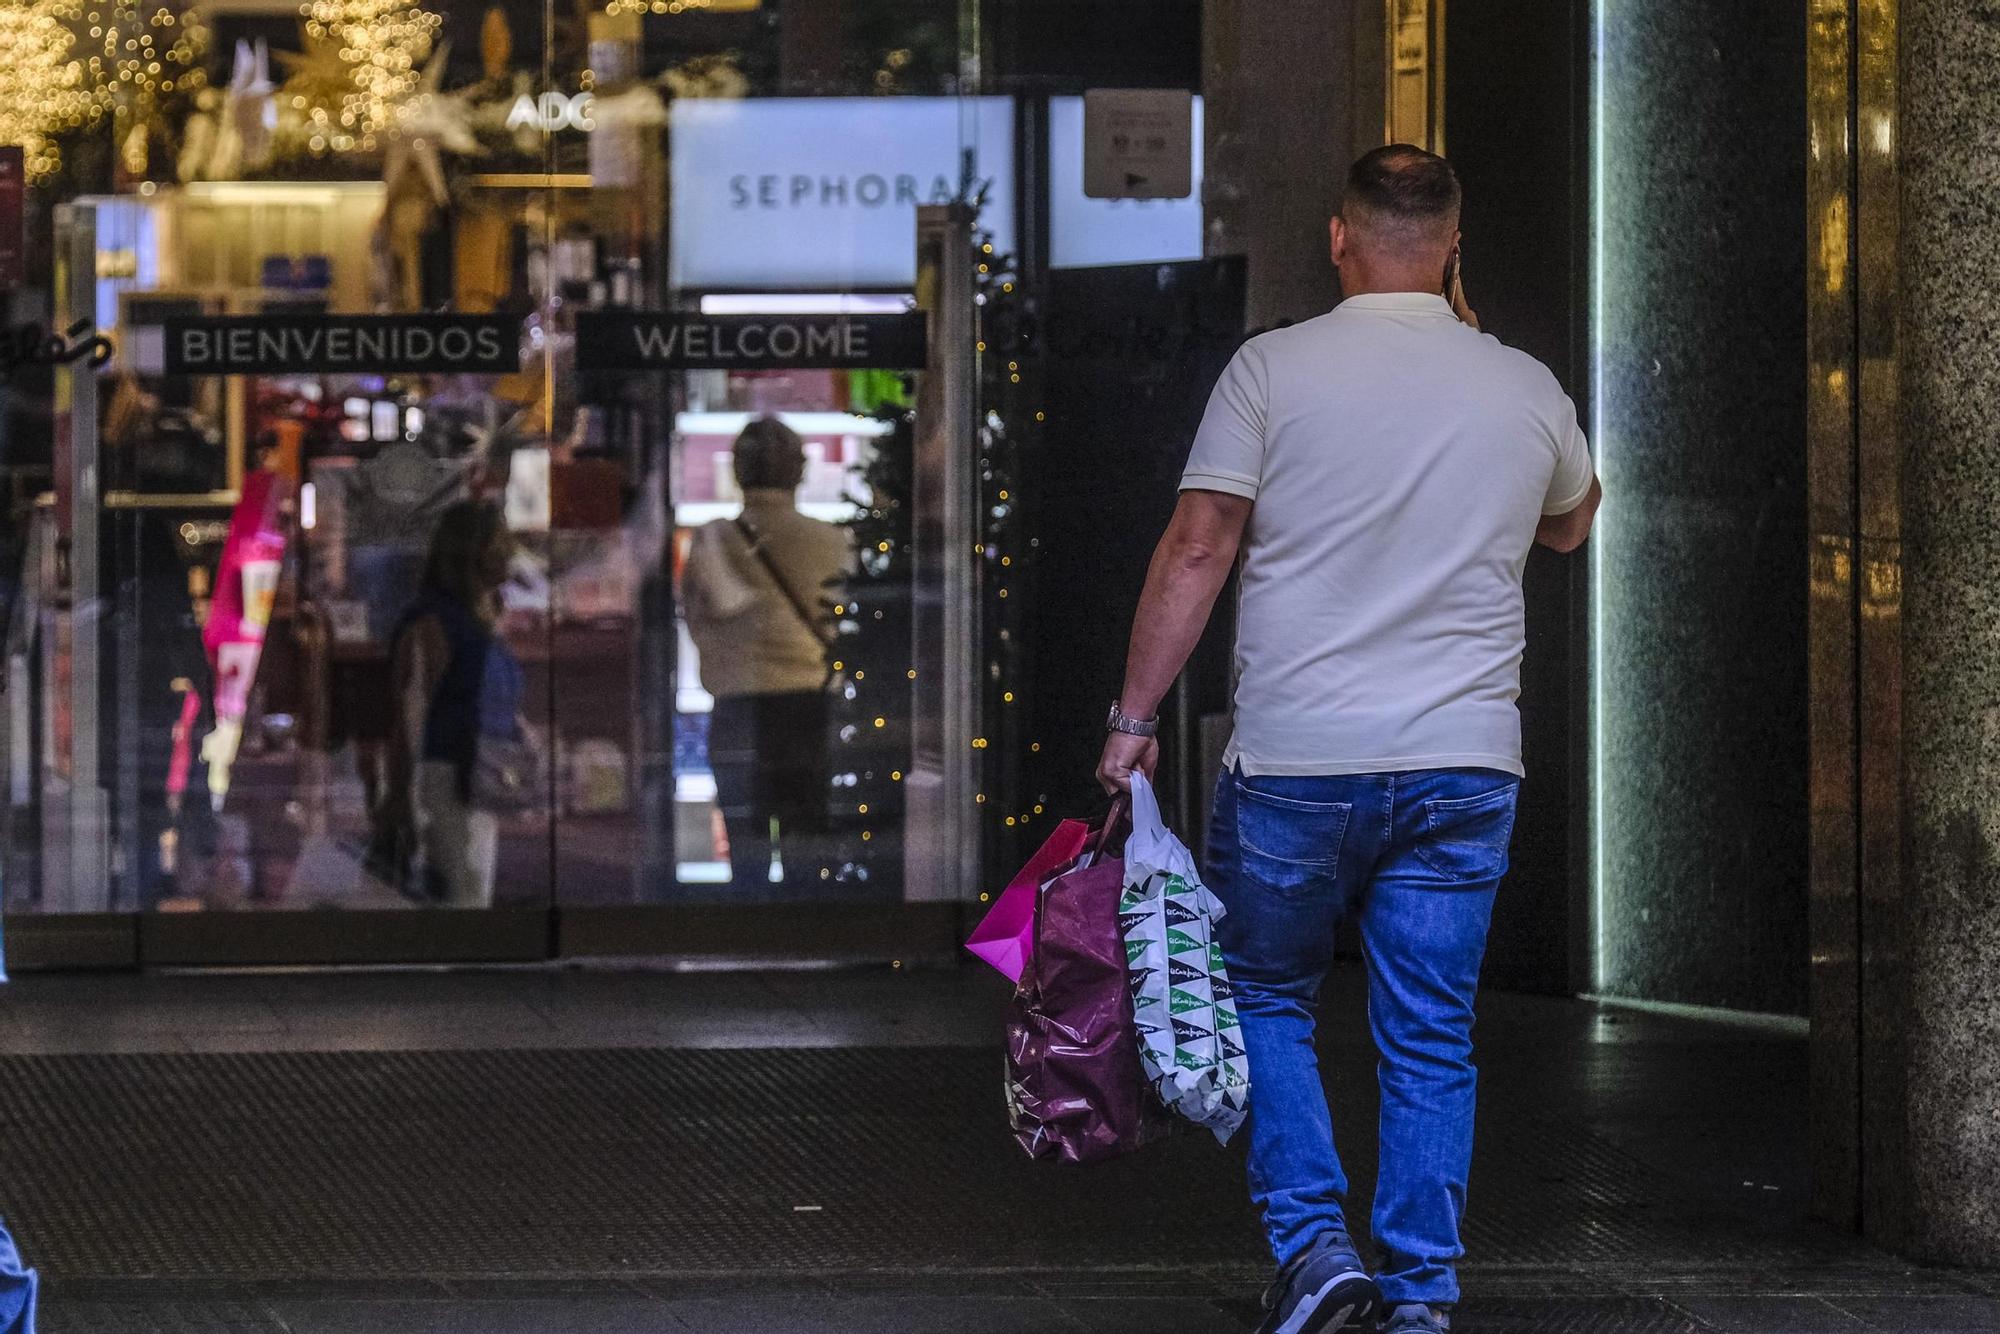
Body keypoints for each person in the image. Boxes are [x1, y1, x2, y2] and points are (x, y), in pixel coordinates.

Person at [1096, 145, 1601, 1334]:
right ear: (1453, 246)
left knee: (1267, 997)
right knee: (1427, 1029)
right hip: (1464, 763)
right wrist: (1476, 349)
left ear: (1337, 238)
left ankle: (1317, 1252)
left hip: (1295, 761)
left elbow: (1199, 543)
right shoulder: (1522, 385)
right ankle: (1419, 1294)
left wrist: (1130, 721)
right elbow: (1574, 524)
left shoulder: (1270, 370)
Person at [682, 417, 851, 892]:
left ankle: (753, 935)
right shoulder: (832, 540)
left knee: (746, 843)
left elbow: (696, 618)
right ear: (800, 472)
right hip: (809, 706)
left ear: (737, 471)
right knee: (804, 836)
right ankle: (805, 937)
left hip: (736, 704)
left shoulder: (712, 537)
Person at [387, 499, 528, 908]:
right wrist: (403, 801)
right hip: (444, 783)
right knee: (459, 900)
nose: (511, 553)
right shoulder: (433, 624)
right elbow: (409, 718)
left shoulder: (483, 620)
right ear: (474, 551)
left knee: (472, 896)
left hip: (482, 778)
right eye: (500, 542)